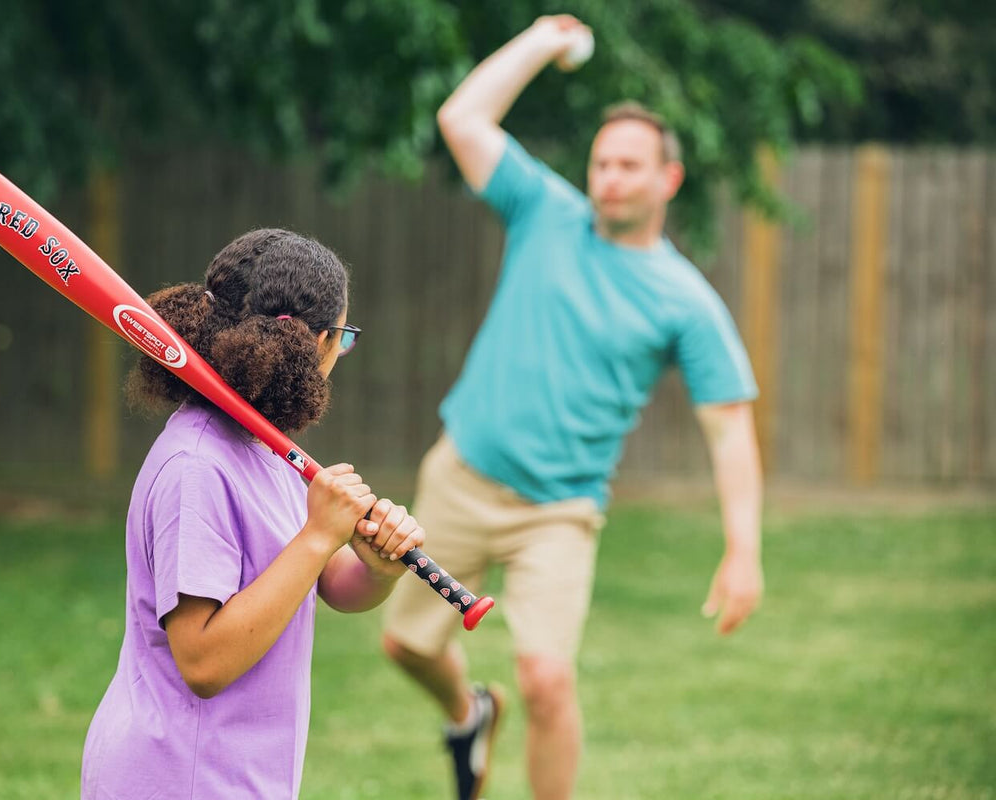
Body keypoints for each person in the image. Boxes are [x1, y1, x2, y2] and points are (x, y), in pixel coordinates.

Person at [380, 15, 765, 800]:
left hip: (558, 511)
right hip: (460, 475)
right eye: (600, 162)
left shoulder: (685, 302)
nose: (609, 178)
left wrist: (743, 549)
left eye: (629, 165)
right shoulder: (543, 211)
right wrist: (542, 41)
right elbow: (461, 118)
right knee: (404, 647)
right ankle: (471, 711)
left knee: (548, 679)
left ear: (668, 181)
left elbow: (729, 431)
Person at [81, 228, 425, 800]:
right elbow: (203, 660)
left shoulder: (263, 448)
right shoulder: (198, 465)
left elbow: (328, 584)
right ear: (318, 343)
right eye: (344, 338)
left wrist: (376, 566)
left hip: (236, 773)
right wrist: (318, 536)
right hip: (179, 776)